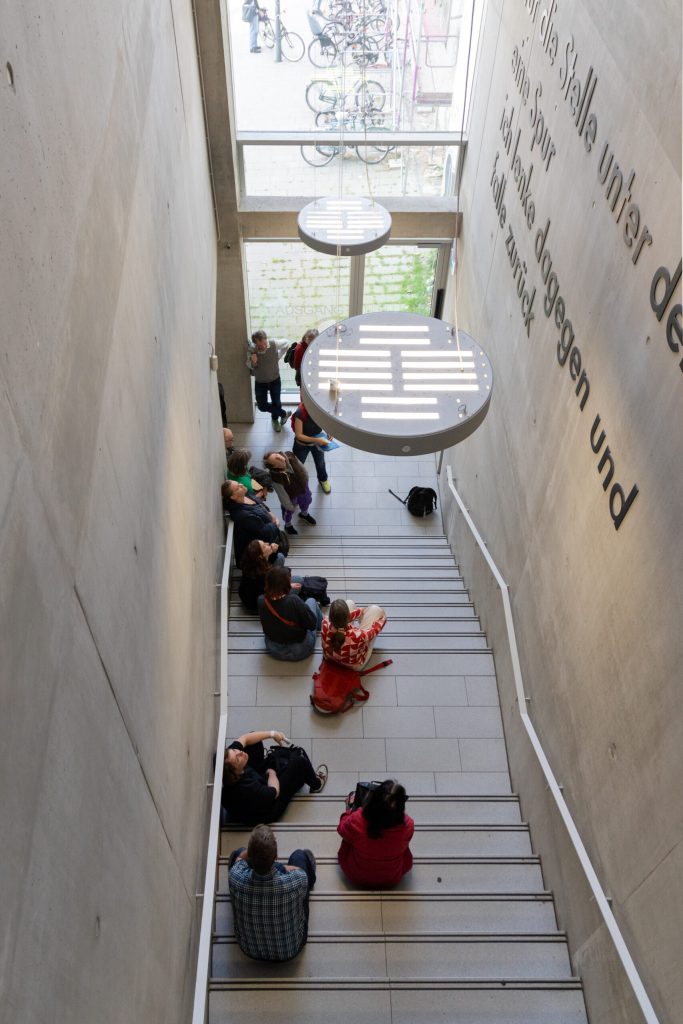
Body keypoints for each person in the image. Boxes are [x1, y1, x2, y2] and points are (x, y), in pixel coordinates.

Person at [228, 825, 316, 962]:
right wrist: (281, 867)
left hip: (249, 949)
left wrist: (253, 851)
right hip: (290, 950)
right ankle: (312, 877)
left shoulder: (235, 876)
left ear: (250, 857)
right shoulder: (296, 881)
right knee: (299, 855)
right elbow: (299, 871)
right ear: (276, 856)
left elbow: (239, 859)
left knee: (237, 852)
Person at [222, 729, 328, 825]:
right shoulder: (249, 787)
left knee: (253, 740)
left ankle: (262, 766)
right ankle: (316, 784)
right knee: (299, 762)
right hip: (268, 809)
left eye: (235, 751)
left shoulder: (226, 762)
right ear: (235, 773)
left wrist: (272, 734)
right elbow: (274, 791)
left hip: (250, 799)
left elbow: (244, 738)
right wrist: (271, 773)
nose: (241, 753)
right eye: (237, 759)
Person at [337, 780, 414, 888]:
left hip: (358, 875)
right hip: (391, 877)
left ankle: (349, 805)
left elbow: (341, 829)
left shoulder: (357, 819)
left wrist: (349, 812)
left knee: (350, 834)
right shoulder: (408, 825)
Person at [258, 565, 322, 660]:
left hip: (274, 649)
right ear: (285, 585)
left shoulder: (261, 600)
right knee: (311, 601)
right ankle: (322, 626)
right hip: (300, 649)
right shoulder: (294, 601)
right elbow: (311, 624)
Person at [222, 479, 281, 564]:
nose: (241, 485)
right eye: (238, 487)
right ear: (233, 497)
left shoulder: (246, 494)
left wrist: (270, 514)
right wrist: (275, 524)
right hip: (262, 553)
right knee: (278, 560)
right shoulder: (243, 515)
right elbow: (265, 532)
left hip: (270, 537)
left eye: (239, 483)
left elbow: (259, 503)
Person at [321, 598, 387, 669]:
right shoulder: (359, 635)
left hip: (330, 659)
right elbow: (375, 630)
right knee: (376, 610)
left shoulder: (324, 623)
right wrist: (382, 616)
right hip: (352, 667)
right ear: (348, 618)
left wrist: (360, 611)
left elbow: (339, 619)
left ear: (330, 618)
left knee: (349, 603)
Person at [264, 450, 316, 536]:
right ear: (274, 466)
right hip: (291, 496)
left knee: (307, 501)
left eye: (276, 454)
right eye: (275, 459)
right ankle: (288, 525)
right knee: (288, 512)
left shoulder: (291, 456)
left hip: (303, 488)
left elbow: (302, 467)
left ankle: (304, 514)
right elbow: (282, 494)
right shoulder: (275, 477)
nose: (279, 456)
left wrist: (306, 479)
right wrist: (289, 506)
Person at [247, 330, 290, 431]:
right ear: (255, 344)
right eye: (259, 345)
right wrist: (253, 362)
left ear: (266, 339)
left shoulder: (274, 344)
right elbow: (249, 366)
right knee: (261, 406)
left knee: (277, 403)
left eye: (264, 343)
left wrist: (278, 356)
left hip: (275, 380)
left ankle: (275, 420)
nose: (263, 346)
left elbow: (286, 342)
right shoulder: (252, 350)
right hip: (260, 382)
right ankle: (284, 414)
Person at [291, 401, 332, 494]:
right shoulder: (300, 413)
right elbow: (299, 435)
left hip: (318, 440)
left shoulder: (321, 409)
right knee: (298, 465)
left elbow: (326, 422)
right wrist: (317, 441)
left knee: (320, 463)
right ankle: (297, 483)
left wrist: (329, 431)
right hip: (302, 445)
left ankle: (323, 479)